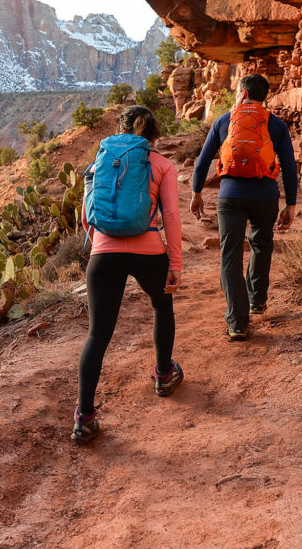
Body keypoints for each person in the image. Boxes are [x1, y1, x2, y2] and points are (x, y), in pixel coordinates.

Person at [73, 105, 183, 445]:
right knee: (162, 306)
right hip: (149, 250)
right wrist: (175, 263)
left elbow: (85, 218)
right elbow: (172, 216)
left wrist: (101, 245)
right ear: (153, 136)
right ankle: (164, 375)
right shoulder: (161, 164)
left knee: (98, 335)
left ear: (120, 130)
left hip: (104, 255)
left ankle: (84, 419)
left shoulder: (99, 164)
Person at [189, 73, 298, 341]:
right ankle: (257, 301)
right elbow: (290, 166)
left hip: (230, 197)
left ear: (244, 93)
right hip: (266, 196)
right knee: (261, 244)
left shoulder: (224, 120)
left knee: (231, 256)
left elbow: (202, 161)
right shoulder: (275, 124)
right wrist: (291, 204)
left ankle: (237, 323)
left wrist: (196, 192)